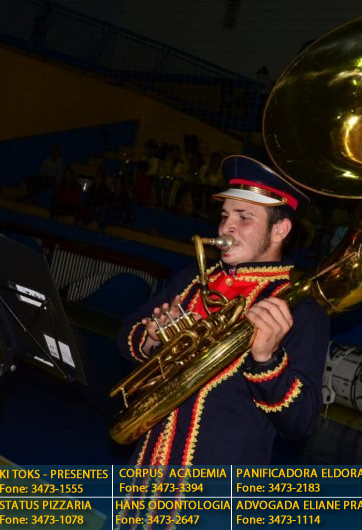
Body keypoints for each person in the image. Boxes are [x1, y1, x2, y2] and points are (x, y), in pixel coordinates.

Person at [116, 155, 330, 464]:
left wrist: (267, 362)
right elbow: (126, 335)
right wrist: (152, 338)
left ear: (280, 230)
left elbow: (301, 423)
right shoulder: (193, 279)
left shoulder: (302, 312)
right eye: (225, 215)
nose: (227, 225)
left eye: (244, 217)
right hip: (148, 468)